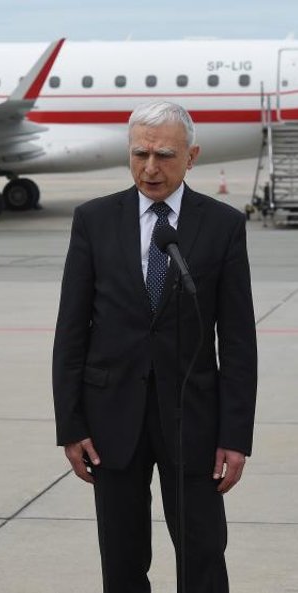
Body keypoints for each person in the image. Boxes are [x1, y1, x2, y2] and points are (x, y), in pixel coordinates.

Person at [52, 101, 257, 593]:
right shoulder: (94, 220)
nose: (150, 167)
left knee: (203, 554)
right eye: (139, 153)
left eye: (164, 154)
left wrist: (236, 434)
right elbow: (72, 330)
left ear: (192, 156)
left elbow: (236, 339)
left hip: (194, 420)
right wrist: (71, 425)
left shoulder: (223, 225)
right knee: (121, 558)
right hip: (111, 418)